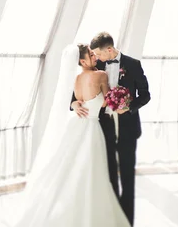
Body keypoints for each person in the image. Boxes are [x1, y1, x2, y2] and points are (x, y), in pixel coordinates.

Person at [13, 44, 130, 227]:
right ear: (82, 60)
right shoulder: (101, 75)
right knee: (91, 171)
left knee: (68, 168)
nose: (95, 57)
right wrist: (122, 101)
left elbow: (77, 101)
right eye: (91, 55)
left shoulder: (76, 79)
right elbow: (106, 103)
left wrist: (76, 104)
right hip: (90, 127)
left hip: (74, 125)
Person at [72, 32, 150, 225]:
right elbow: (76, 95)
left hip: (128, 127)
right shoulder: (95, 66)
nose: (96, 58)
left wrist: (129, 108)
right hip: (102, 127)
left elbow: (145, 95)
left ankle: (128, 221)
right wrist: (74, 104)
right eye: (94, 55)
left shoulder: (133, 64)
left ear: (109, 49)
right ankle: (114, 219)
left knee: (127, 176)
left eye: (98, 54)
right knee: (109, 174)